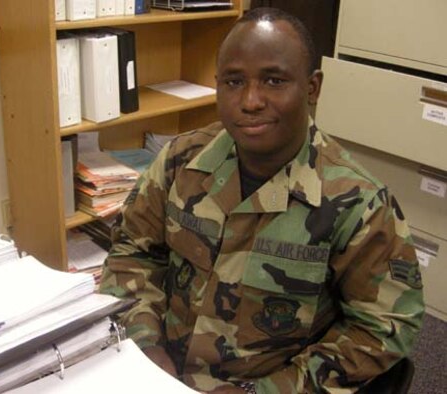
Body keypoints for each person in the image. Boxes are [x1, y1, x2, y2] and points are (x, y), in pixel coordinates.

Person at [99, 7, 424, 393]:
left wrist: (269, 391)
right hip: (157, 374)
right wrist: (146, 344)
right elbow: (133, 253)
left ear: (312, 88)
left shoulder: (359, 204)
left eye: (273, 80)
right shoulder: (179, 162)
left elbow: (384, 327)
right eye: (234, 82)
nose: (250, 101)